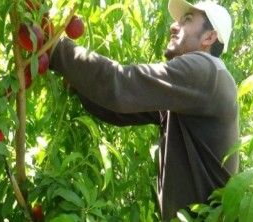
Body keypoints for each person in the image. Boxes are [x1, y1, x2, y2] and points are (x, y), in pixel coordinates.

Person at [49, 0, 239, 220]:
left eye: (187, 20)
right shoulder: (191, 93)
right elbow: (121, 111)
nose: (174, 26)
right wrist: (77, 81)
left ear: (209, 37)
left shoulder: (207, 71)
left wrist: (55, 48)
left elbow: (121, 83)